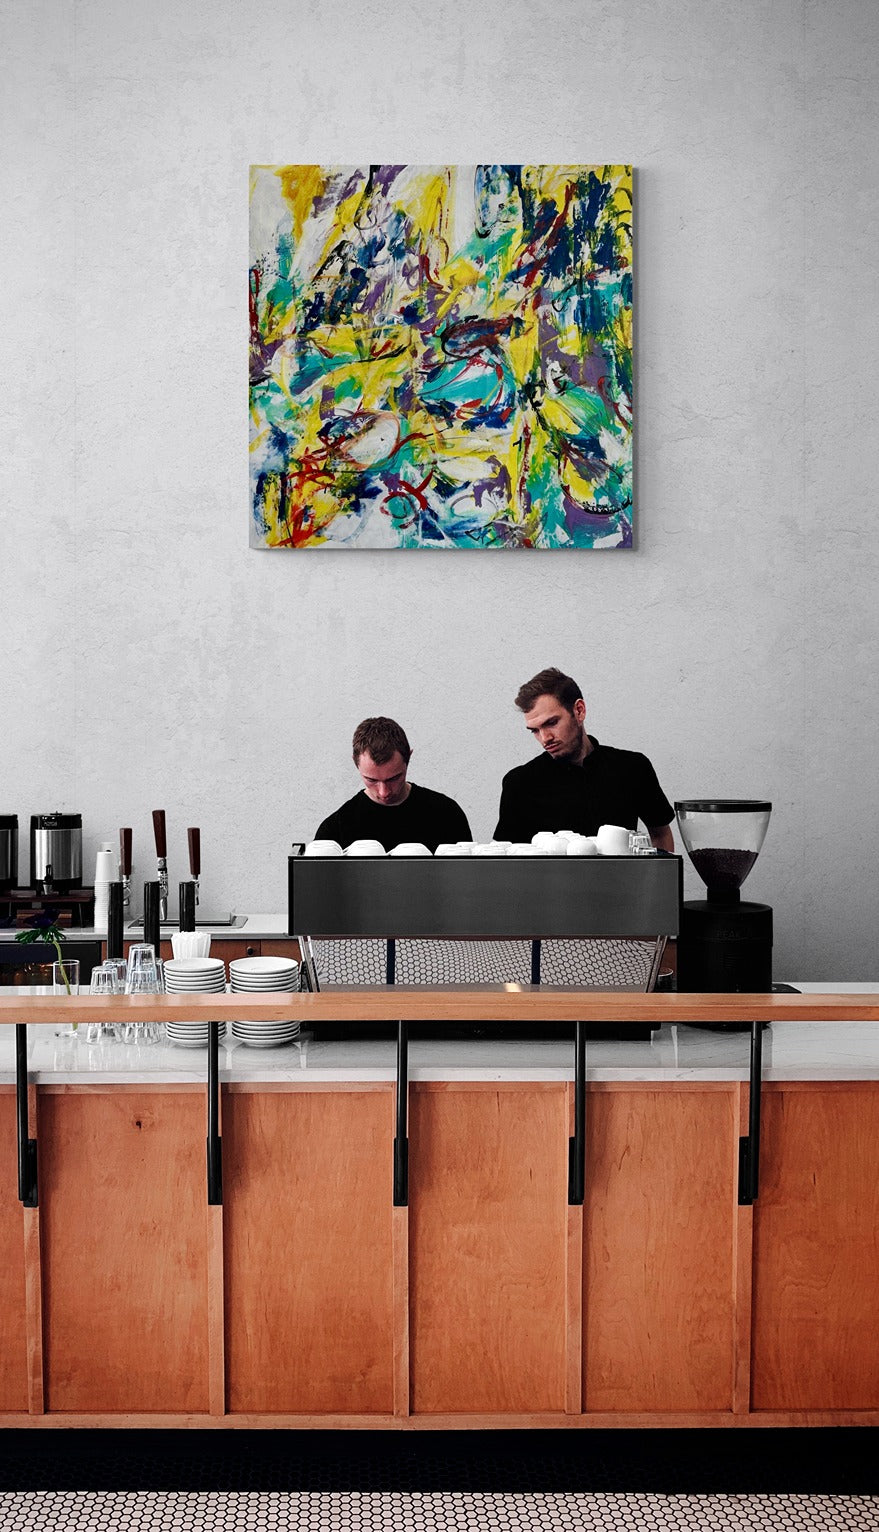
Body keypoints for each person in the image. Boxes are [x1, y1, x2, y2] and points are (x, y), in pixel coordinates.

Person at [494, 668, 675, 850]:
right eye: (534, 730)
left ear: (579, 711)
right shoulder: (519, 783)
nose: (544, 738)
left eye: (551, 723)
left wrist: (658, 877)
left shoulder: (633, 767)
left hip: (622, 878)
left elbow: (660, 834)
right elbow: (506, 861)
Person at [315, 716, 472, 853]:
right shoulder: (335, 831)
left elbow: (468, 881)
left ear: (408, 759)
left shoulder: (447, 815)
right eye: (372, 780)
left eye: (393, 779)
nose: (384, 792)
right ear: (356, 764)